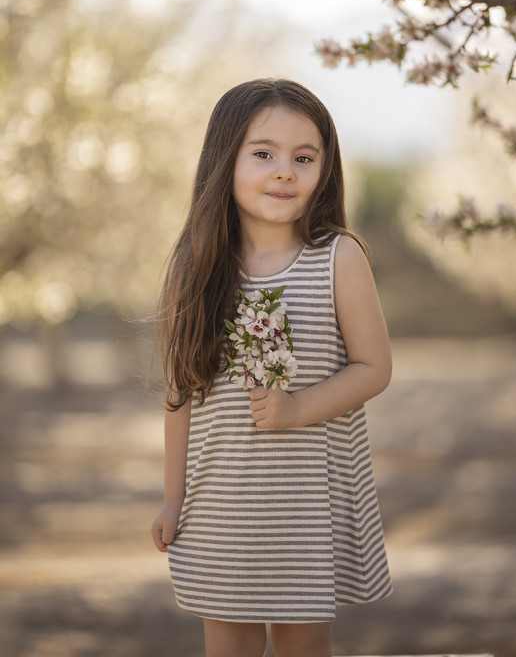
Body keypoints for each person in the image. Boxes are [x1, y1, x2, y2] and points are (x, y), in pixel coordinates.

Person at [151, 78, 393, 657]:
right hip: (223, 502)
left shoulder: (338, 257)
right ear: (223, 162)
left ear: (324, 170)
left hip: (306, 505)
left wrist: (299, 407)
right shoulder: (196, 267)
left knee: (301, 645)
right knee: (227, 645)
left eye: (304, 158)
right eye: (263, 154)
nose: (285, 171)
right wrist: (172, 496)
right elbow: (180, 392)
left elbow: (374, 367)